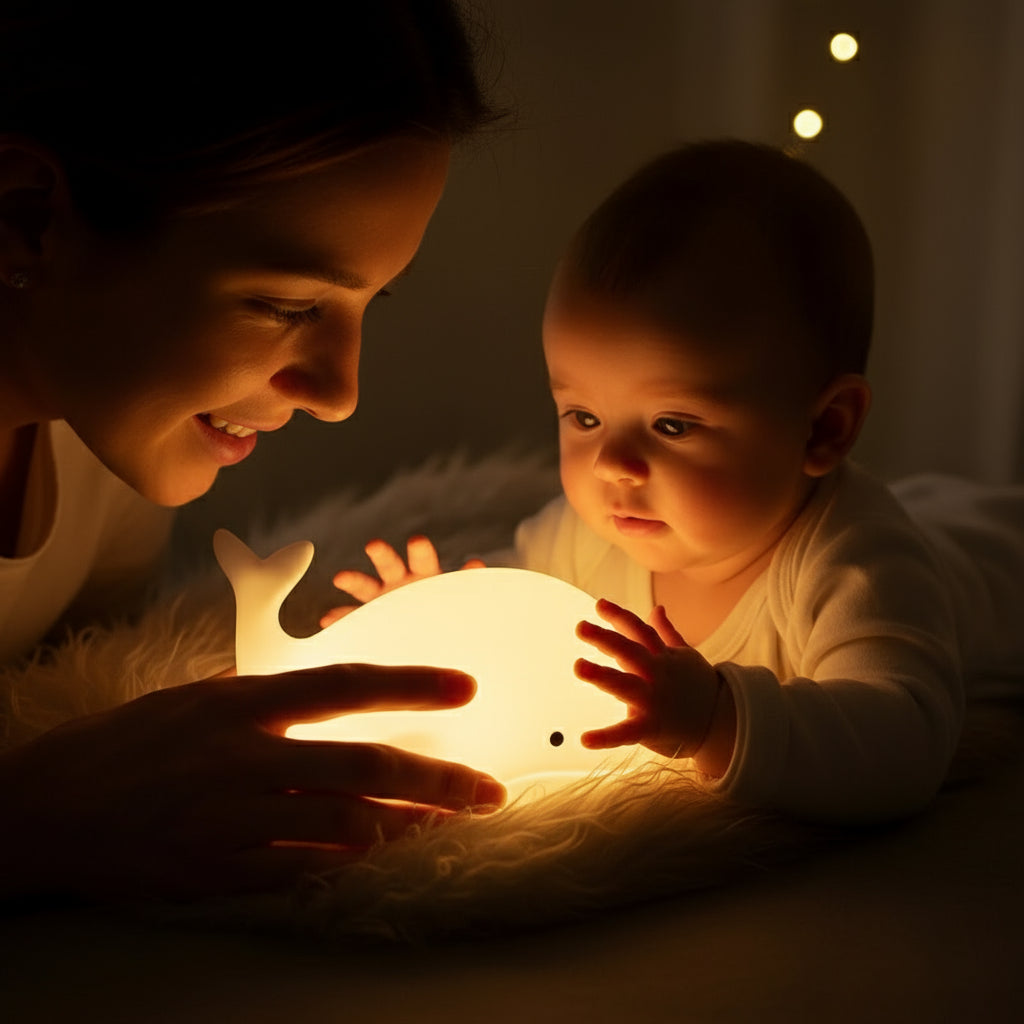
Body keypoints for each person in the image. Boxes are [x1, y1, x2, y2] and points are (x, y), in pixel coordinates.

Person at [330, 140, 1024, 826]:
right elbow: (519, 617)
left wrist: (717, 718)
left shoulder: (858, 565)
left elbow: (905, 743)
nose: (612, 465)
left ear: (823, 430)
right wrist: (435, 619)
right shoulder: (586, 536)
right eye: (584, 417)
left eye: (671, 425)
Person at [0, 1, 512, 903]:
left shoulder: (102, 456)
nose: (340, 394)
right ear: (29, 215)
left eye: (369, 304)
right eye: (285, 307)